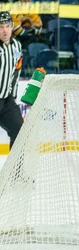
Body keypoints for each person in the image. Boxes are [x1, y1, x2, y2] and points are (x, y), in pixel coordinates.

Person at [0, 11, 24, 150]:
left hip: (6, 100)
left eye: (7, 26)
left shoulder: (16, 46)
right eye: (0, 26)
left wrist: (13, 95)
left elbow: (16, 71)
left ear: (12, 27)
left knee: (20, 132)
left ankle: (15, 171)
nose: (4, 30)